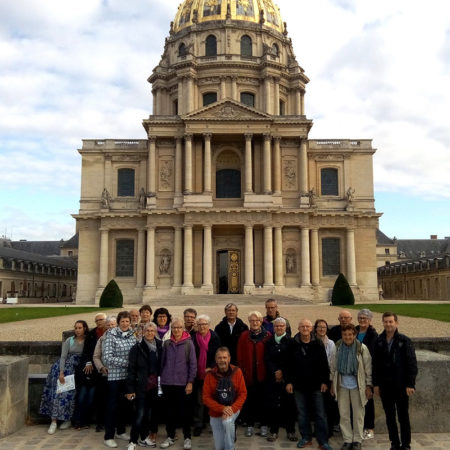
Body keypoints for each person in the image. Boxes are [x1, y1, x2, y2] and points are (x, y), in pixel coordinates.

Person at [372, 312, 418, 450]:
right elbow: (375, 365)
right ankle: (394, 443)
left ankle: (405, 444)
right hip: (385, 386)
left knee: (403, 416)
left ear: (396, 323)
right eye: (386, 322)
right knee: (390, 417)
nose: (388, 324)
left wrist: (410, 383)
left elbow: (412, 363)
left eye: (391, 321)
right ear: (383, 323)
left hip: (401, 385)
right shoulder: (379, 341)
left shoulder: (404, 340)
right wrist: (376, 384)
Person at [285, 319, 332, 450]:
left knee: (320, 414)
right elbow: (287, 365)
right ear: (298, 328)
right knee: (302, 413)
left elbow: (324, 364)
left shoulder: (317, 343)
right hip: (299, 385)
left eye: (307, 326)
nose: (305, 328)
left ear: (311, 329)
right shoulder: (292, 344)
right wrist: (288, 381)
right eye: (302, 326)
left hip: (316, 384)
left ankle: (323, 441)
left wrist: (325, 381)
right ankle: (306, 437)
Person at [40, 320, 89, 435]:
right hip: (64, 369)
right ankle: (54, 421)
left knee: (71, 396)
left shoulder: (87, 341)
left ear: (85, 328)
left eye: (80, 328)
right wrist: (61, 372)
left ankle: (67, 419)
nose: (77, 330)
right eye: (76, 328)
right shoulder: (69, 340)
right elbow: (63, 357)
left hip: (77, 371)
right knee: (58, 394)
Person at [330, 323, 373, 450]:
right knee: (344, 414)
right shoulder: (337, 347)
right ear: (342, 335)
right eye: (345, 334)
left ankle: (357, 440)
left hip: (357, 385)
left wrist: (368, 385)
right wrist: (332, 384)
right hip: (342, 385)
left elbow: (368, 368)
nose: (347, 337)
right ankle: (347, 439)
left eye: (350, 334)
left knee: (358, 414)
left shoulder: (361, 348)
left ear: (354, 335)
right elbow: (333, 367)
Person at [159, 318, 197, 450]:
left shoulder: (188, 344)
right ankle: (170, 436)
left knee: (184, 412)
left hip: (182, 383)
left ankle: (187, 437)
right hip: (168, 382)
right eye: (174, 328)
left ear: (183, 329)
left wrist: (190, 382)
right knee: (170, 412)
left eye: (179, 327)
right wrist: (162, 380)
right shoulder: (167, 343)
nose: (176, 330)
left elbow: (193, 365)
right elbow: (162, 363)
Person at [103, 311, 137, 448]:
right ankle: (108, 436)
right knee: (112, 406)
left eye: (127, 321)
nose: (125, 324)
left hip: (128, 377)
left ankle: (121, 431)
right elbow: (107, 357)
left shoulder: (132, 335)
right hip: (115, 376)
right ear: (118, 322)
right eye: (122, 321)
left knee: (124, 406)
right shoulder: (110, 335)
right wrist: (128, 363)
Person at [125, 322, 162, 450]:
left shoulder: (160, 345)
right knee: (139, 414)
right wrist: (130, 389)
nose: (150, 333)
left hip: (155, 386)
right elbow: (131, 370)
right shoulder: (137, 348)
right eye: (148, 331)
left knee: (149, 414)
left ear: (155, 332)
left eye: (152, 331)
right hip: (141, 386)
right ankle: (133, 440)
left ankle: (144, 437)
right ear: (143, 332)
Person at [203, 347, 247, 450]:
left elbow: (243, 393)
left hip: (232, 408)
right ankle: (230, 434)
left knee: (227, 422)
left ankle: (231, 447)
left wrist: (231, 409)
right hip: (215, 412)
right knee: (219, 447)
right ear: (216, 359)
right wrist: (222, 408)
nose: (222, 360)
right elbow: (206, 397)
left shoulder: (237, 371)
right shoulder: (210, 375)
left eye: (224, 357)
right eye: (219, 358)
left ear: (229, 358)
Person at [236, 310, 271, 438]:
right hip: (248, 373)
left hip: (263, 373)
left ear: (261, 321)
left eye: (257, 320)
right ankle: (250, 424)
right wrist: (242, 370)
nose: (254, 323)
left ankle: (263, 424)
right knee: (249, 400)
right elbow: (239, 354)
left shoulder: (267, 335)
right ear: (249, 322)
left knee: (263, 400)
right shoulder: (244, 335)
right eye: (252, 321)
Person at [264, 317, 297, 442]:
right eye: (276, 326)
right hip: (273, 378)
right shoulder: (269, 341)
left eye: (281, 326)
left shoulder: (291, 342)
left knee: (289, 405)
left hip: (287, 378)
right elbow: (267, 358)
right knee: (274, 405)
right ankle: (273, 431)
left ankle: (291, 430)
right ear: (273, 328)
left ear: (285, 328)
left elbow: (293, 360)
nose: (279, 328)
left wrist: (283, 372)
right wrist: (275, 371)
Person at [72, 313, 107, 429]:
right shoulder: (92, 334)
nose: (99, 322)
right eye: (97, 320)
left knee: (95, 398)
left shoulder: (111, 332)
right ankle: (78, 421)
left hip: (104, 370)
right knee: (83, 396)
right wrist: (88, 362)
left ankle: (91, 421)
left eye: (101, 320)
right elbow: (86, 351)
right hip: (92, 370)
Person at [191, 314, 221, 436]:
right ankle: (199, 424)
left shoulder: (214, 337)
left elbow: (219, 354)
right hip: (198, 374)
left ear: (209, 325)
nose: (202, 326)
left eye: (204, 324)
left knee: (213, 399)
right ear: (197, 326)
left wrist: (212, 367)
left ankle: (214, 424)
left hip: (212, 374)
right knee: (199, 400)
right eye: (200, 324)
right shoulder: (193, 338)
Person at [355, 309, 379, 440]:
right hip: (354, 371)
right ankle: (359, 426)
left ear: (370, 320)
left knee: (368, 400)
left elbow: (373, 355)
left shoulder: (374, 335)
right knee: (357, 401)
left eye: (365, 318)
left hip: (366, 370)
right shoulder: (354, 331)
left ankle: (370, 428)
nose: (362, 320)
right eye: (360, 318)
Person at [314, 319, 338, 437]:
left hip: (327, 378)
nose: (322, 329)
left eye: (324, 327)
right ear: (315, 329)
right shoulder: (312, 342)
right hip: (315, 378)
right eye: (319, 327)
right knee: (316, 406)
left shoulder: (331, 344)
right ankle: (318, 429)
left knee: (328, 405)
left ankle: (329, 430)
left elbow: (332, 362)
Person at [93, 315, 117, 432]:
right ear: (105, 326)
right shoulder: (102, 339)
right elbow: (96, 356)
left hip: (119, 374)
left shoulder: (123, 338)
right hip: (104, 374)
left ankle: (116, 423)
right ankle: (100, 422)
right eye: (108, 325)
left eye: (113, 324)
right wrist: (101, 367)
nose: (111, 327)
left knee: (116, 400)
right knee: (102, 399)